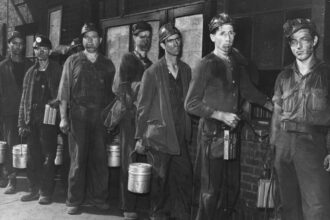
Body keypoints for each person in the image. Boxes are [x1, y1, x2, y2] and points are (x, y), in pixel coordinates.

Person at [185, 13, 272, 220]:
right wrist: (220, 115)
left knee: (231, 187)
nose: (228, 38)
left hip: (230, 136)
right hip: (212, 136)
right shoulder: (205, 64)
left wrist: (272, 104)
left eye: (231, 33)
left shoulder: (234, 62)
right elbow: (190, 103)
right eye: (222, 34)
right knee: (210, 190)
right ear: (213, 37)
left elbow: (249, 90)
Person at [270, 18, 330, 220]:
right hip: (284, 145)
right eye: (293, 42)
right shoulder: (283, 76)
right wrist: (273, 147)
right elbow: (277, 114)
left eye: (303, 40)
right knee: (287, 207)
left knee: (316, 208)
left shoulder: (326, 74)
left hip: (313, 145)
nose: (298, 46)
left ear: (314, 41)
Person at [135, 23, 193, 220]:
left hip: (179, 135)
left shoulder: (186, 70)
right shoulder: (152, 72)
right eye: (171, 41)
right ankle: (157, 215)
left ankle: (182, 215)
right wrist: (140, 137)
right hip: (160, 137)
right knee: (160, 181)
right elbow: (142, 107)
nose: (176, 44)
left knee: (184, 178)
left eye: (178, 40)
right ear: (162, 45)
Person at [57, 22, 115, 215]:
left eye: (94, 37)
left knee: (99, 159)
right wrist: (63, 118)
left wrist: (111, 120)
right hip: (78, 117)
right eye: (86, 37)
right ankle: (74, 200)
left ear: (100, 39)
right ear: (82, 40)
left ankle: (99, 198)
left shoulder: (108, 64)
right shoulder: (72, 61)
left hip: (100, 117)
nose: (90, 41)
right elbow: (64, 92)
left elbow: (113, 95)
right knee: (78, 160)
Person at [111, 21, 153, 220]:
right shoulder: (128, 59)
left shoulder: (151, 65)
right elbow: (122, 88)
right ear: (134, 38)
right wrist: (134, 104)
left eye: (147, 36)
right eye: (140, 36)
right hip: (129, 116)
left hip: (146, 118)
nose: (144, 40)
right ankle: (128, 205)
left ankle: (141, 201)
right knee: (129, 158)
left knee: (143, 158)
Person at [18, 34, 62, 204]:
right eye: (37, 49)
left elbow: (63, 94)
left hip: (49, 119)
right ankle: (33, 189)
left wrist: (55, 104)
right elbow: (23, 99)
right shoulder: (30, 72)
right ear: (34, 51)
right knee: (32, 157)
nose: (41, 52)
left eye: (44, 48)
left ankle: (45, 192)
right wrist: (22, 122)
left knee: (47, 156)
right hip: (32, 119)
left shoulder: (58, 69)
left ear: (50, 51)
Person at [0, 31, 33, 194]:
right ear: (9, 45)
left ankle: (32, 179)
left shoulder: (30, 65)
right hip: (9, 112)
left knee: (31, 144)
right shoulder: (2, 66)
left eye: (21, 44)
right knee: (10, 144)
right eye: (15, 43)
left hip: (28, 112)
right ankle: (12, 180)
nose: (18, 46)